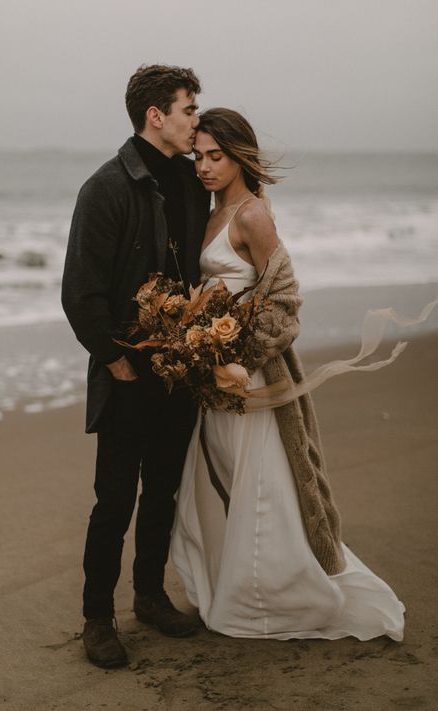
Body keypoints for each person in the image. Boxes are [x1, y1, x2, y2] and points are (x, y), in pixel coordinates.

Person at [170, 108, 405, 641]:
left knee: (261, 487)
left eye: (216, 156)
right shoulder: (205, 213)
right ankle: (229, 587)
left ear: (238, 156)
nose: (204, 166)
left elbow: (285, 302)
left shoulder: (252, 216)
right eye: (198, 156)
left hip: (248, 376)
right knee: (216, 479)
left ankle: (272, 598)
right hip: (212, 376)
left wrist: (239, 358)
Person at [62, 64, 210, 668]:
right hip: (128, 373)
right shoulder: (107, 187)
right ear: (157, 115)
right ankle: (98, 617)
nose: (195, 118)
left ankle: (149, 595)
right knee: (115, 498)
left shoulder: (192, 182)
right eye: (188, 108)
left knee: (165, 492)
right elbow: (80, 291)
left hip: (183, 369)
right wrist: (114, 359)